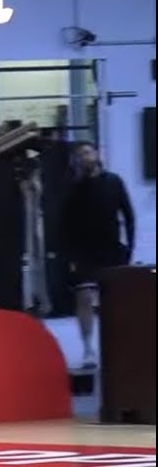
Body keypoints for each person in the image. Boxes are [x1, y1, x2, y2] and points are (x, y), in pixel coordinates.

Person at [64, 141, 135, 369]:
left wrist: (129, 248)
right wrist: (69, 256)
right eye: (79, 155)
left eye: (87, 152)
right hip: (83, 251)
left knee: (113, 301)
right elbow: (64, 224)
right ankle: (87, 348)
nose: (84, 157)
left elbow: (128, 215)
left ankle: (118, 348)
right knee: (84, 297)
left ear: (96, 154)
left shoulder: (114, 182)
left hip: (112, 249)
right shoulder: (73, 187)